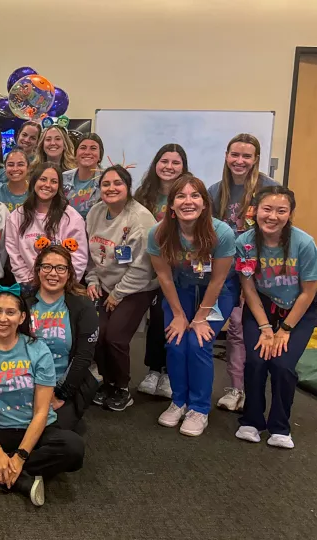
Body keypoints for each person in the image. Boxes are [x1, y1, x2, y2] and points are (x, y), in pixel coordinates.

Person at [0, 282, 84, 506]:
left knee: (73, 448)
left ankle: (4, 472)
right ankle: (22, 481)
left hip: (34, 430)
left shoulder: (38, 350)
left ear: (21, 318)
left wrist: (20, 456)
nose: (3, 318)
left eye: (10, 312)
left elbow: (41, 412)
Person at [148, 173, 238, 437]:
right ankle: (179, 401)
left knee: (198, 343)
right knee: (175, 342)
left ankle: (199, 409)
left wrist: (200, 318)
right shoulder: (159, 233)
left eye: (195, 195)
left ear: (204, 203)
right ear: (172, 206)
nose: (188, 201)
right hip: (181, 290)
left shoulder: (221, 232)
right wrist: (178, 314)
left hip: (216, 293)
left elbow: (219, 279)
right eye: (181, 196)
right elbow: (164, 276)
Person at [234, 186, 317, 449]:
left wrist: (284, 329)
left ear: (290, 214)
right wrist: (264, 326)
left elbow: (308, 292)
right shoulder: (244, 243)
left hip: (298, 310)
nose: (273, 216)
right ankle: (251, 420)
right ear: (255, 211)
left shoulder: (304, 243)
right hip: (262, 307)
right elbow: (248, 287)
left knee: (282, 365)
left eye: (281, 211)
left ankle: (280, 427)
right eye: (267, 209)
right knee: (257, 360)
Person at [209, 134, 279, 412]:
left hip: (260, 272)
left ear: (256, 160)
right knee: (235, 328)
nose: (240, 161)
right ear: (226, 156)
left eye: (246, 156)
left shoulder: (269, 188)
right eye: (235, 155)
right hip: (227, 269)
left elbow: (279, 227)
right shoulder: (216, 190)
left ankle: (254, 389)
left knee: (256, 329)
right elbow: (210, 232)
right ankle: (235, 388)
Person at [85, 166, 158, 412]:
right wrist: (92, 280)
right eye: (106, 184)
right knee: (96, 333)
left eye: (118, 183)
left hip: (137, 288)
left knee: (115, 336)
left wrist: (117, 294)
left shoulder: (140, 218)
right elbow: (90, 255)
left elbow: (143, 267)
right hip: (105, 284)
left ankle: (123, 388)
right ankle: (107, 381)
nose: (111, 188)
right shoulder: (95, 213)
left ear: (128, 187)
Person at [133, 143, 188, 399]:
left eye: (175, 162)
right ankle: (153, 370)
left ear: (183, 167)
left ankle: (168, 373)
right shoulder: (143, 195)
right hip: (150, 268)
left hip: (180, 269)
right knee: (156, 318)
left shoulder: (188, 194)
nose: (169, 167)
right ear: (156, 164)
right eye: (164, 161)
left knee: (172, 318)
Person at [25, 245, 99, 433]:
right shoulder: (23, 302)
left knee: (56, 436)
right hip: (25, 384)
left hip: (64, 388)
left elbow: (83, 356)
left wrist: (58, 394)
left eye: (60, 268)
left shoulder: (82, 306)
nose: (53, 274)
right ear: (38, 270)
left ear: (69, 273)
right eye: (47, 267)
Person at [5, 162, 88, 284]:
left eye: (54, 181)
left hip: (62, 288)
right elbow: (15, 257)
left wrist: (60, 286)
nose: (47, 185)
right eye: (43, 179)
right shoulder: (16, 217)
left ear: (59, 186)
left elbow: (78, 259)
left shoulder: (72, 218)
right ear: (33, 182)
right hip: (28, 287)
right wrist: (29, 285)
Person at [61, 133, 103, 219]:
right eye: (83, 148)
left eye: (93, 148)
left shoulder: (108, 179)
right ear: (75, 154)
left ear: (100, 156)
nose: (87, 152)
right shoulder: (62, 178)